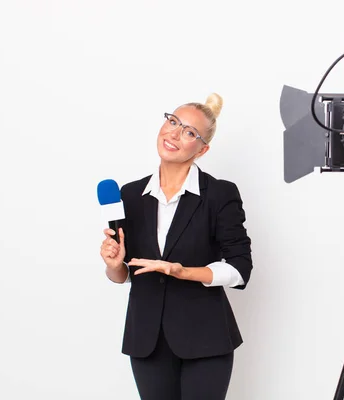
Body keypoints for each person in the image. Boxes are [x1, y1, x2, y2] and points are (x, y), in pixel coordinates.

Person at [99, 93, 253, 400]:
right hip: (146, 339)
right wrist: (114, 266)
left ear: (202, 149)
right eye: (172, 122)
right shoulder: (128, 195)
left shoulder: (219, 194)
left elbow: (240, 269)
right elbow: (126, 273)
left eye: (189, 132)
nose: (174, 133)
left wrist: (182, 271)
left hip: (206, 338)